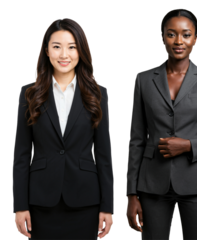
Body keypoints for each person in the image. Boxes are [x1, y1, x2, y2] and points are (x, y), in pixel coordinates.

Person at [126, 7, 197, 240]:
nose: (178, 41)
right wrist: (131, 194)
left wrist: (188, 146)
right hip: (152, 184)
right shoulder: (143, 79)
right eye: (171, 34)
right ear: (162, 36)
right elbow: (136, 140)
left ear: (195, 38)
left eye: (186, 34)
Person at [13, 16, 114, 240]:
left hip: (85, 201)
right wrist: (20, 206)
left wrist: (107, 207)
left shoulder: (98, 94)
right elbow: (21, 155)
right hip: (41, 201)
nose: (64, 55)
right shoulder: (29, 93)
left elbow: (104, 155)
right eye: (57, 47)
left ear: (81, 51)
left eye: (71, 47)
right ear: (47, 51)